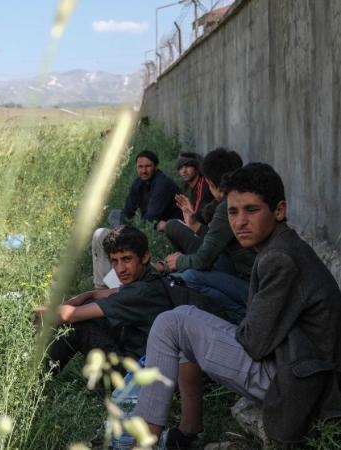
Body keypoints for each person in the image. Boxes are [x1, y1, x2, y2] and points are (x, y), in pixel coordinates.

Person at [131, 163, 341, 447]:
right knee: (181, 319)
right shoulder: (279, 247)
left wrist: (220, 330)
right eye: (233, 211)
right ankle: (187, 432)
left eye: (251, 210)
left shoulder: (281, 259)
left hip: (298, 383)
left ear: (279, 211)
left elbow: (255, 342)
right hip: (294, 366)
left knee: (172, 324)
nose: (240, 222)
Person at [41, 226, 175, 371]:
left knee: (78, 327)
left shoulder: (140, 291)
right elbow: (100, 293)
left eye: (126, 259)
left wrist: (29, 313)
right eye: (115, 262)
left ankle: (36, 379)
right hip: (142, 357)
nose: (120, 269)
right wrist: (86, 296)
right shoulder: (150, 276)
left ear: (145, 257)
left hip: (136, 375)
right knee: (90, 308)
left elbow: (68, 316)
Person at [159, 148, 256, 316]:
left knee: (190, 277)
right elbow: (217, 242)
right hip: (248, 273)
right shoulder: (239, 197)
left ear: (210, 183)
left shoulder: (228, 205)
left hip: (255, 287)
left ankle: (242, 318)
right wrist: (195, 223)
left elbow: (204, 259)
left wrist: (181, 261)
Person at [92, 150, 182, 288]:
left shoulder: (162, 184)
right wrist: (119, 233)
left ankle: (114, 288)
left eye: (148, 166)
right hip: (145, 229)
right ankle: (101, 287)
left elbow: (150, 218)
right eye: (140, 167)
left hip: (163, 236)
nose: (144, 171)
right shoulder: (139, 183)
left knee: (122, 245)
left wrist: (126, 236)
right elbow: (127, 211)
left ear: (156, 167)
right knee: (102, 232)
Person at [159, 152, 213, 237]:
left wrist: (178, 224)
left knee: (170, 225)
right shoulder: (193, 189)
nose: (184, 171)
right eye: (180, 168)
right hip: (202, 230)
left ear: (196, 168)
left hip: (208, 234)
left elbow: (198, 216)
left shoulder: (203, 183)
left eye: (187, 166)